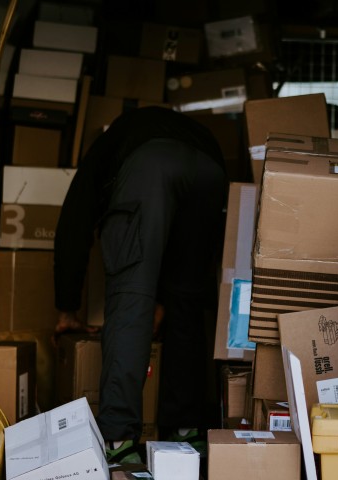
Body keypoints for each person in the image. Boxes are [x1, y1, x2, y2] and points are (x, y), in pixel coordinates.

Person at [53, 106, 227, 463]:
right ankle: (186, 431)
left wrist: (67, 307)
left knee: (132, 298)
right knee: (187, 303)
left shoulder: (108, 147)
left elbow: (74, 223)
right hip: (211, 171)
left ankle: (119, 442)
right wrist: (164, 297)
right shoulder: (180, 130)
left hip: (151, 167)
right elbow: (170, 248)